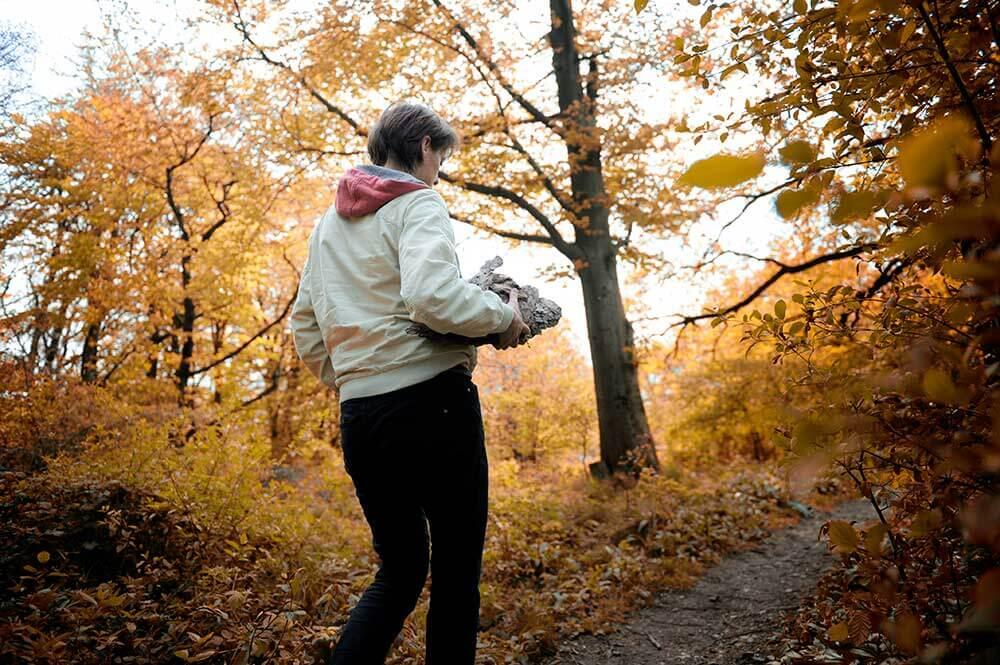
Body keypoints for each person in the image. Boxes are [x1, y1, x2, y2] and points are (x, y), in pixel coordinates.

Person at [290, 100, 530, 665]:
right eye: (439, 159)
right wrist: (503, 318)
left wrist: (357, 378)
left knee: (399, 570)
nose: (438, 172)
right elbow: (432, 296)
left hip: (362, 417)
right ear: (423, 147)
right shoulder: (419, 203)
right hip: (432, 408)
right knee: (454, 571)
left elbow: (304, 324)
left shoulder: (328, 225)